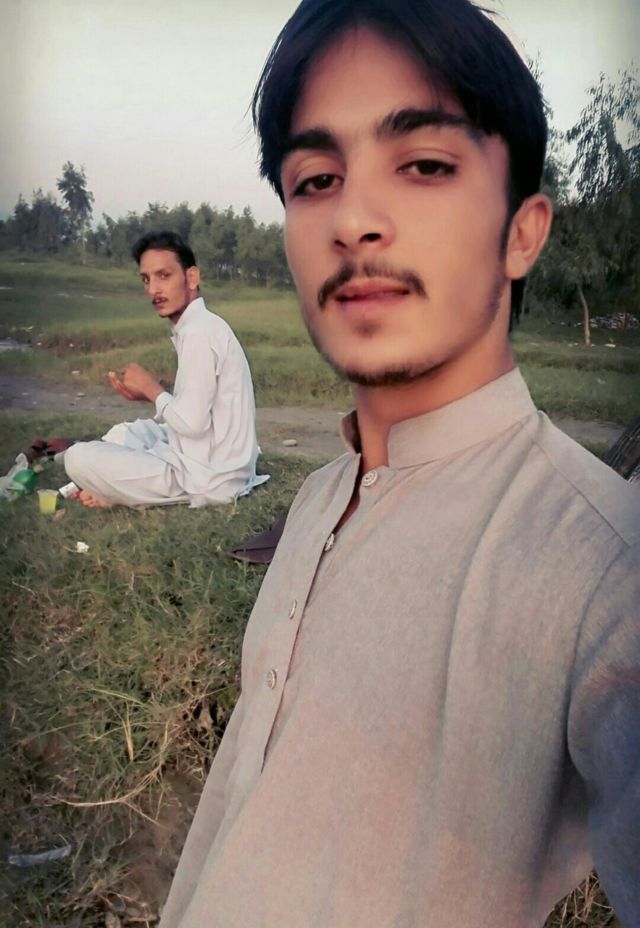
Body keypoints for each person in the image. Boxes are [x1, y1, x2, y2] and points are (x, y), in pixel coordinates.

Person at [159, 1, 640, 925]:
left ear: (523, 231)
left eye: (423, 165)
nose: (354, 220)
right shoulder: (316, 499)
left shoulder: (605, 570)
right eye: (315, 180)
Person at [63, 231, 268, 508]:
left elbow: (192, 424)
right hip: (207, 454)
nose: (153, 290)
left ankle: (110, 491)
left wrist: (151, 389)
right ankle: (107, 485)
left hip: (209, 477)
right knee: (126, 433)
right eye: (147, 279)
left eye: (164, 276)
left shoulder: (199, 333)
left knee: (76, 457)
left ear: (191, 278)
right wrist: (145, 395)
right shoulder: (200, 326)